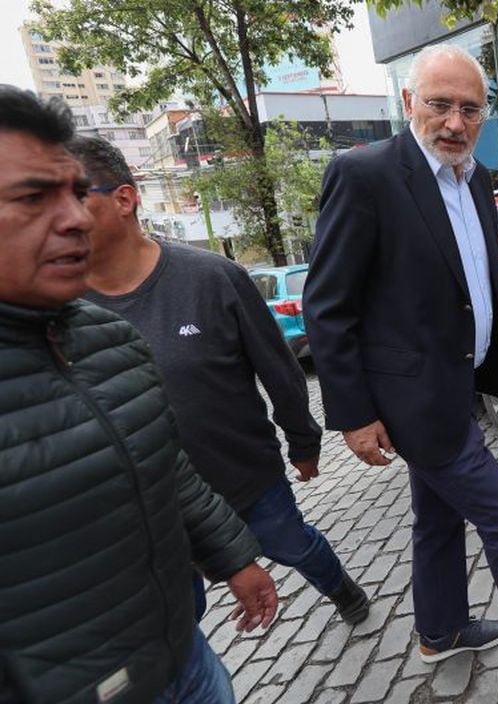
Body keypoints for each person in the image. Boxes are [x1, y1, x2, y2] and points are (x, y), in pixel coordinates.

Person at [303, 44, 498, 676]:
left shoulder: (478, 179)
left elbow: (489, 281)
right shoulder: (365, 176)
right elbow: (327, 305)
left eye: (470, 109)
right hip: (413, 399)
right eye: (440, 105)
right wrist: (353, 414)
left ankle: (440, 631)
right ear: (409, 103)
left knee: (436, 518)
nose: (455, 123)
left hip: (460, 382)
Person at [0, 85, 277, 703]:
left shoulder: (107, 337)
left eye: (75, 192)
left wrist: (233, 557)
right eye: (32, 197)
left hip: (184, 660)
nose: (73, 217)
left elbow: (161, 463)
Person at [68, 136, 369, 626]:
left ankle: (342, 590)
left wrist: (302, 441)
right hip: (151, 507)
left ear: (124, 199)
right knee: (179, 611)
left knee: (292, 544)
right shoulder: (62, 308)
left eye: (71, 197)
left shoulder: (213, 277)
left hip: (245, 479)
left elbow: (278, 368)